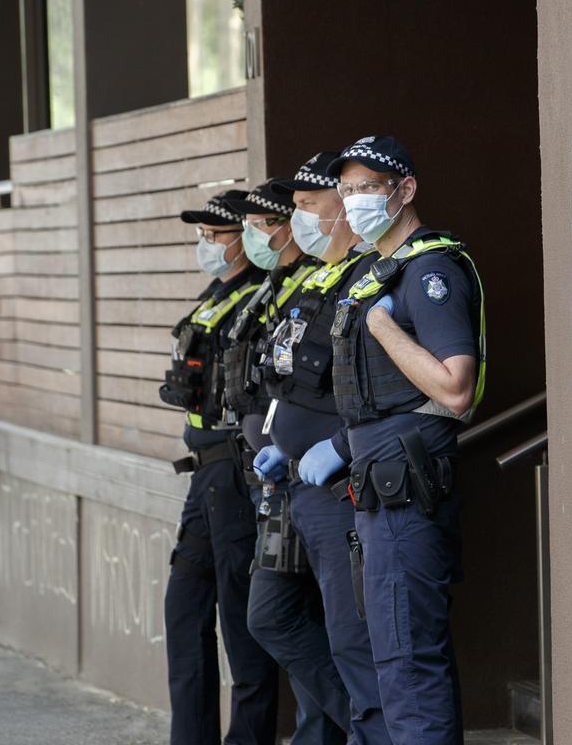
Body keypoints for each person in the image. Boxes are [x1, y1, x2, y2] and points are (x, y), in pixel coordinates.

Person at [326, 135, 486, 744]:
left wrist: (384, 329)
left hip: (406, 488)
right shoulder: (379, 271)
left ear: (405, 191)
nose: (354, 202)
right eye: (346, 191)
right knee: (396, 659)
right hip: (381, 485)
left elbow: (455, 387)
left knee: (409, 664)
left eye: (367, 188)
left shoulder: (430, 270)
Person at [247, 152, 392, 744]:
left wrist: (336, 444)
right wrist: (280, 444)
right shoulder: (313, 279)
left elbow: (388, 392)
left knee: (354, 637)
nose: (299, 217)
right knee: (273, 617)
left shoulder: (372, 276)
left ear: (344, 208)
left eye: (309, 205)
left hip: (339, 488)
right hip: (290, 484)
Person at [222, 178, 350, 745]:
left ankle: (353, 728)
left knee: (311, 616)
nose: (252, 235)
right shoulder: (279, 285)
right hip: (276, 474)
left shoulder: (329, 281)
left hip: (321, 479)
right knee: (274, 613)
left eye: (262, 223)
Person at [160, 190, 279, 745]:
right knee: (183, 611)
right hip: (203, 476)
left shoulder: (261, 295)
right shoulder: (216, 294)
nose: (205, 244)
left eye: (216, 234)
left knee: (241, 625)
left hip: (235, 474)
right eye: (201, 235)